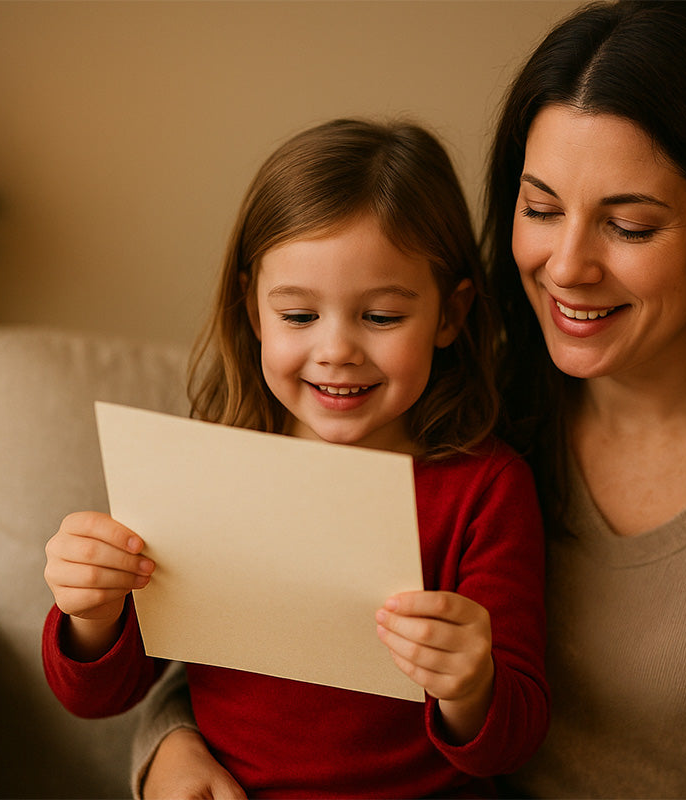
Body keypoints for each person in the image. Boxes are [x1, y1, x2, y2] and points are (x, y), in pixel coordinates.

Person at [134, 1, 686, 797]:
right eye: (539, 209)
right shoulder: (462, 414)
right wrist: (167, 746)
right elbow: (264, 654)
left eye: (628, 226)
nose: (566, 265)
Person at [40, 118, 549, 799]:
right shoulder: (210, 467)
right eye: (300, 316)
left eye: (381, 316)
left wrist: (471, 684)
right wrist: (90, 613)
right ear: (253, 311)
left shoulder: (484, 488)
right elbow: (104, 693)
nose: (336, 349)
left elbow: (512, 739)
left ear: (450, 316)